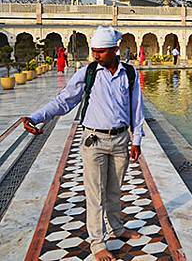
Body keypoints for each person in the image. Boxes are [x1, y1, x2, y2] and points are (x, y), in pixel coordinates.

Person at [21, 26, 144, 261]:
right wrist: (35, 117)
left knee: (115, 189)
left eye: (100, 51)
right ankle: (97, 242)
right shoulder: (89, 73)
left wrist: (136, 140)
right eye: (94, 51)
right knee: (95, 193)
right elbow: (63, 101)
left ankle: (117, 228)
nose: (95, 55)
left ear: (115, 50)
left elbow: (137, 109)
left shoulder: (129, 73)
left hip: (120, 139)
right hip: (94, 140)